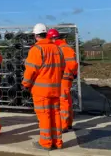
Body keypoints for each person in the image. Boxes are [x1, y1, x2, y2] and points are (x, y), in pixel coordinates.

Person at [22, 23, 65, 151]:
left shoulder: (36, 50)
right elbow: (62, 68)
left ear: (35, 35)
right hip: (55, 89)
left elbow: (30, 71)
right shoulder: (57, 49)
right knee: (56, 115)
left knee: (44, 116)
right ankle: (58, 142)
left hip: (41, 91)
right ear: (46, 34)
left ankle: (45, 143)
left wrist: (25, 84)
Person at [47, 28, 78, 132]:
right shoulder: (63, 47)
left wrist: (70, 73)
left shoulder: (62, 48)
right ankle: (68, 123)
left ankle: (63, 125)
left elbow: (72, 64)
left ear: (53, 38)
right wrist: (73, 73)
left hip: (63, 78)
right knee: (67, 100)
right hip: (66, 77)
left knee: (63, 101)